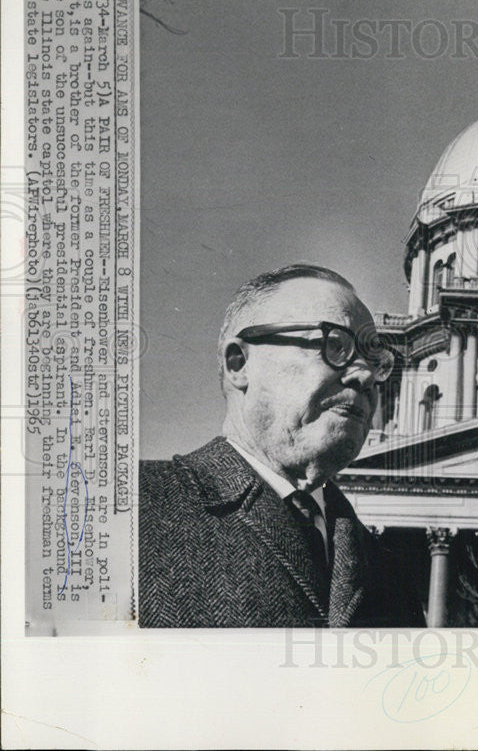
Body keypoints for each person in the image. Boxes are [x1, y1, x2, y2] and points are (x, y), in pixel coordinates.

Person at [139, 264, 425, 627]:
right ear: (239, 364)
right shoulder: (133, 508)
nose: (365, 374)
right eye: (335, 345)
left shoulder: (391, 572)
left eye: (374, 360)